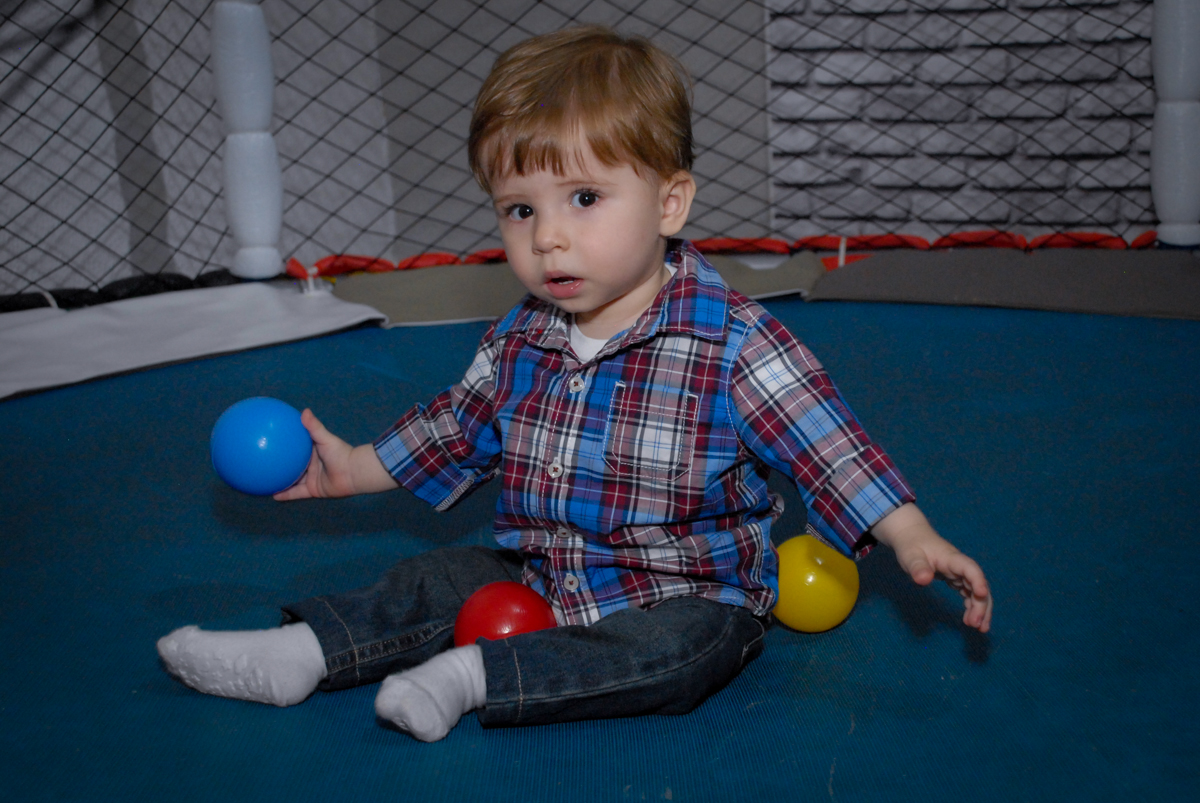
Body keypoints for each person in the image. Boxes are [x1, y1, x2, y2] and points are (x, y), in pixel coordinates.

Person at [157, 25, 992, 742]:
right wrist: (355, 468)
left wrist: (909, 532)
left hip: (687, 593)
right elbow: (459, 426)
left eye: (584, 197)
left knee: (684, 657)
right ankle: (299, 654)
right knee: (437, 576)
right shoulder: (523, 333)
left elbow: (829, 444)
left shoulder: (732, 342)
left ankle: (477, 677)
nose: (548, 238)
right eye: (519, 209)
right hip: (541, 574)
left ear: (670, 203)